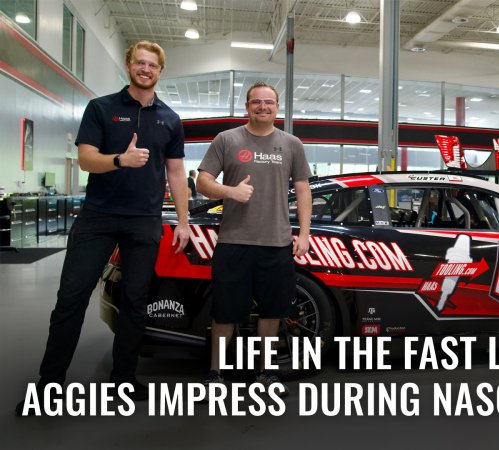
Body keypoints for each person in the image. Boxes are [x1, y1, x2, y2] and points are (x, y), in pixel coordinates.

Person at [16, 41, 190, 415]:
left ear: (160, 71)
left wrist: (184, 221)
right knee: (71, 298)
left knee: (135, 301)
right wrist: (120, 160)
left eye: (153, 65)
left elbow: (176, 173)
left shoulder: (171, 119)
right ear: (129, 65)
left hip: (144, 221)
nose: (146, 69)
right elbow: (86, 159)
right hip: (98, 217)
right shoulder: (101, 108)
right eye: (140, 63)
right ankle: (49, 386)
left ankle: (123, 379)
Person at [197, 82, 312, 394]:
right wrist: (230, 191)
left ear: (277, 107)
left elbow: (303, 190)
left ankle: (267, 373)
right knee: (224, 312)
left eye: (269, 102)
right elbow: (203, 181)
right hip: (233, 242)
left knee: (273, 312)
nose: (263, 107)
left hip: (276, 243)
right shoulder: (227, 139)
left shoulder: (292, 144)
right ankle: (215, 373)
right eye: (256, 102)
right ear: (247, 106)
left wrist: (304, 233)